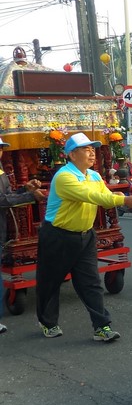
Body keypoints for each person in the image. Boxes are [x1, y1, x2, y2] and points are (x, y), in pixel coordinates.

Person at [35, 133, 132, 340]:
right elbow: (89, 195)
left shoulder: (94, 175)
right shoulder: (64, 176)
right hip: (58, 236)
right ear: (72, 154)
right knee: (50, 282)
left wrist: (119, 197)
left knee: (91, 282)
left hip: (85, 235)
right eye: (86, 149)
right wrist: (123, 200)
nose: (92, 153)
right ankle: (48, 322)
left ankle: (102, 327)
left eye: (92, 149)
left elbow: (104, 197)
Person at [0, 136, 46, 334]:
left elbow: (8, 195)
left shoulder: (1, 172)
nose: (0, 152)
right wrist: (29, 196)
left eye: (1, 149)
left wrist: (24, 189)